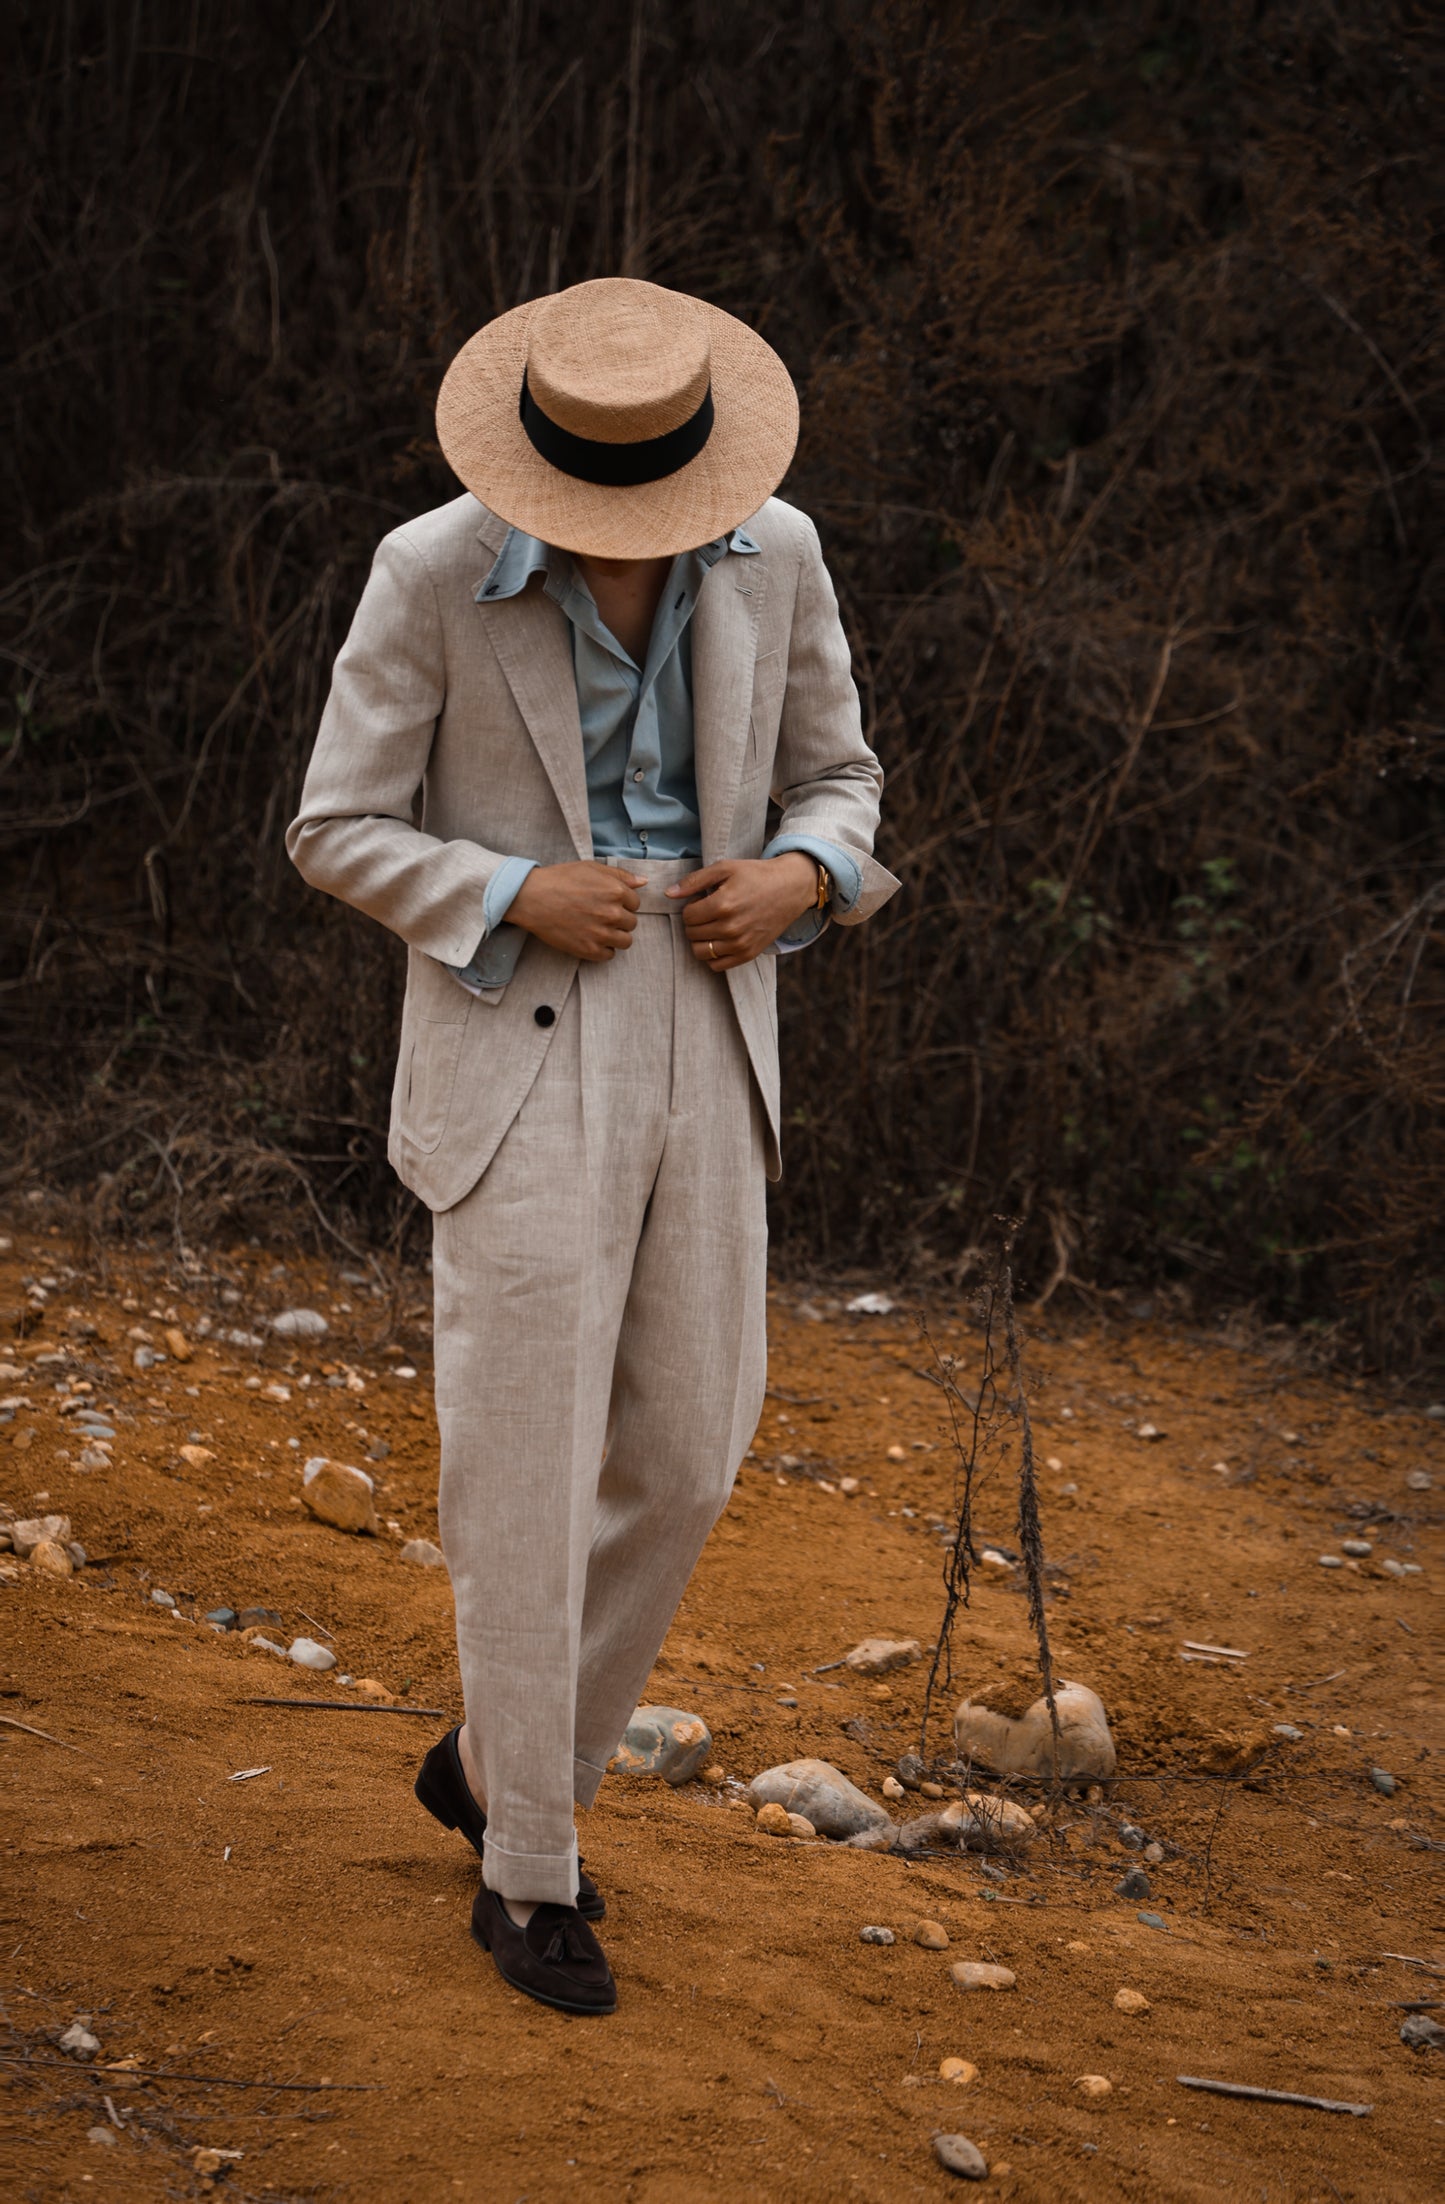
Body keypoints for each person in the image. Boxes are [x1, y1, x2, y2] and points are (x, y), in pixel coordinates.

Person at [287, 276, 899, 2015]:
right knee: (525, 1468)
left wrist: (803, 878)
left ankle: (493, 1757)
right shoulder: (428, 568)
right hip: (513, 1031)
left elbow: (841, 782)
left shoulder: (775, 550)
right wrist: (497, 889)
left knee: (693, 1448)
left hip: (713, 1022)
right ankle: (529, 1865)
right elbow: (333, 822)